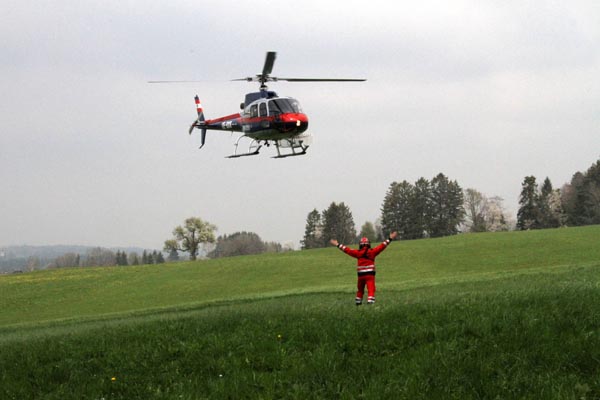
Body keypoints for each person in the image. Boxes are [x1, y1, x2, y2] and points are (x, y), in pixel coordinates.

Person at [330, 232, 398, 306]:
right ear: (368, 244)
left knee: (360, 290)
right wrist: (390, 238)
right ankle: (370, 302)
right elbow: (382, 246)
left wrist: (337, 244)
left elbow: (347, 250)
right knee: (371, 289)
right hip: (370, 275)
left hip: (360, 276)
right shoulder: (373, 252)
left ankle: (358, 303)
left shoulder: (357, 253)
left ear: (360, 245)